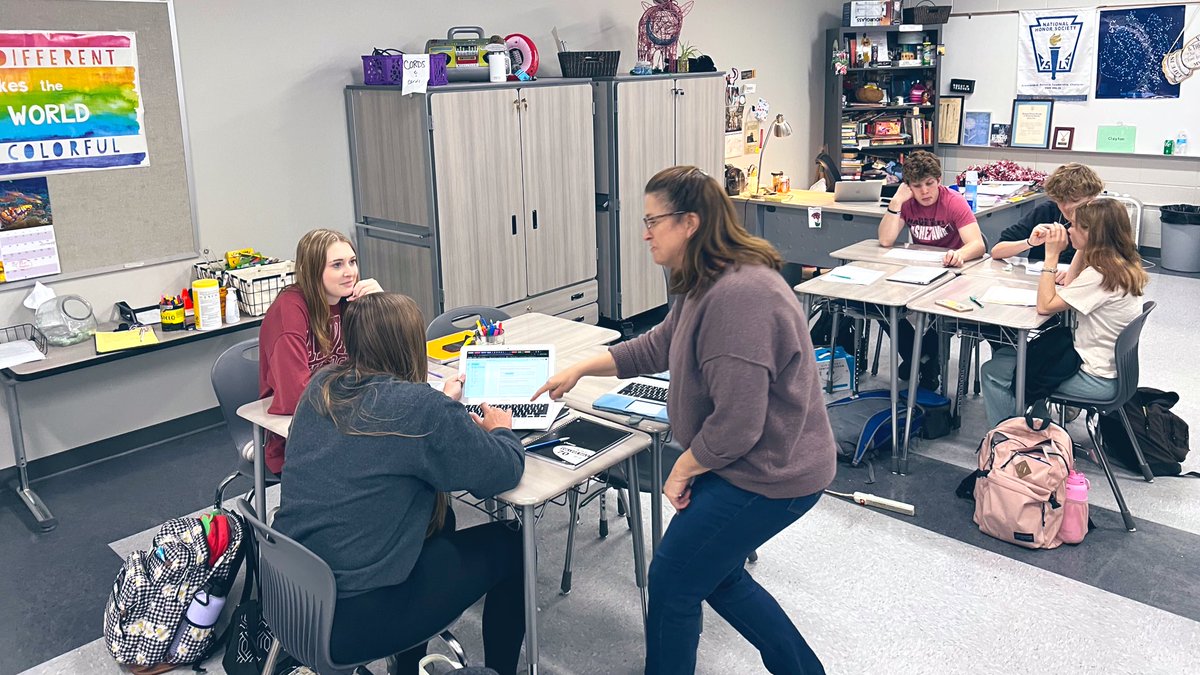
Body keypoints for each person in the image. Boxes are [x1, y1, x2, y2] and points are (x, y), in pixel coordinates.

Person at [534, 166, 836, 674]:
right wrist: (584, 366)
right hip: (749, 462)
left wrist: (683, 467)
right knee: (712, 575)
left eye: (654, 221)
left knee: (674, 584)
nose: (645, 232)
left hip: (770, 473)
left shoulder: (741, 296)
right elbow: (659, 345)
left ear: (690, 222)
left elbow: (737, 423)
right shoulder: (707, 280)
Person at [272, 292, 526, 675]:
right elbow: (501, 471)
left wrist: (443, 407)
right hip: (355, 618)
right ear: (410, 346)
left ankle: (406, 668)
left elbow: (385, 438)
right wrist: (501, 431)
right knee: (513, 546)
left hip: (292, 597)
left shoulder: (320, 387)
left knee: (441, 522)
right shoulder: (421, 408)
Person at [981, 199, 1148, 426]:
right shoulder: (1118, 264)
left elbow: (1045, 305)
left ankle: (1008, 440)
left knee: (992, 371)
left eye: (1076, 226)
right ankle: (1035, 420)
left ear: (1093, 233)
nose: (1069, 229)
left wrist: (1051, 256)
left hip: (1096, 379)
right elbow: (1069, 286)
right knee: (1007, 357)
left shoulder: (1101, 276)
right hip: (1105, 366)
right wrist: (1082, 247)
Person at [258, 228, 382, 474]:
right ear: (312, 271)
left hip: (349, 418)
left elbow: (386, 362)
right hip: (299, 436)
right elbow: (296, 397)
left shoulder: (350, 300)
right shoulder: (290, 312)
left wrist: (380, 307)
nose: (350, 273)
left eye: (352, 262)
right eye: (337, 265)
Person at [877, 150, 986, 389]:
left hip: (952, 274)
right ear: (908, 187)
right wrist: (896, 202)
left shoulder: (953, 201)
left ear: (938, 181)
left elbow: (978, 244)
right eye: (917, 186)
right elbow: (885, 240)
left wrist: (959, 254)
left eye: (930, 184)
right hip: (916, 272)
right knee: (883, 306)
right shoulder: (905, 203)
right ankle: (923, 360)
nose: (925, 192)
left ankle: (921, 361)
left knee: (938, 312)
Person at [990, 163, 1104, 281]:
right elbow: (996, 252)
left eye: (1074, 200)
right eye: (1060, 200)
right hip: (1041, 280)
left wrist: (1075, 274)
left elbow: (1112, 267)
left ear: (1092, 197)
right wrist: (1029, 242)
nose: (1066, 207)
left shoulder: (1103, 217)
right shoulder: (1047, 210)